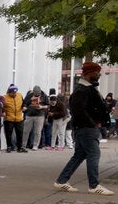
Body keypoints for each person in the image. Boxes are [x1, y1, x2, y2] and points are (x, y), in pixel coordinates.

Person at [53, 62, 114, 195]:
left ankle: (62, 180)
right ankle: (94, 185)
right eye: (97, 72)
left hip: (85, 127)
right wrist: (93, 123)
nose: (99, 74)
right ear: (88, 73)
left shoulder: (87, 88)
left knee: (80, 155)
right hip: (86, 128)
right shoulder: (82, 90)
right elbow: (79, 110)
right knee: (94, 154)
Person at [22, 86, 48, 150]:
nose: (36, 95)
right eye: (35, 94)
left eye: (37, 94)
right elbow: (24, 103)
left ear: (40, 92)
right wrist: (30, 101)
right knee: (26, 131)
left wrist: (42, 107)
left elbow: (48, 105)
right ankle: (23, 145)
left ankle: (35, 145)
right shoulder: (30, 95)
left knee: (37, 132)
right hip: (29, 115)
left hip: (40, 115)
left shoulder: (44, 95)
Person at [2, 84, 26, 152]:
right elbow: (1, 107)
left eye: (15, 92)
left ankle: (20, 147)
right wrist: (3, 111)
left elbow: (23, 103)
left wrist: (24, 106)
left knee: (20, 133)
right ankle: (9, 146)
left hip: (19, 118)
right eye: (12, 93)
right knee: (8, 134)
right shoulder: (4, 97)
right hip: (9, 118)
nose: (14, 94)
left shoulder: (20, 95)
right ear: (9, 92)